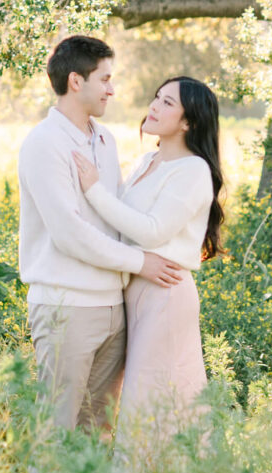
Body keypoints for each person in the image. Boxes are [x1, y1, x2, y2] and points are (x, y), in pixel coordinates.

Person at [18, 35, 184, 431]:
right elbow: (69, 233)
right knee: (57, 430)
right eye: (105, 79)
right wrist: (141, 263)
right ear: (77, 82)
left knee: (97, 432)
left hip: (114, 308)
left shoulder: (104, 140)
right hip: (67, 308)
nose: (112, 89)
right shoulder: (44, 143)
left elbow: (116, 216)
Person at [72, 75, 224, 444]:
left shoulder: (193, 170)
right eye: (156, 98)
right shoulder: (147, 161)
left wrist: (93, 189)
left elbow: (153, 231)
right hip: (136, 290)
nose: (154, 106)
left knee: (154, 394)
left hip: (165, 293)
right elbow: (122, 224)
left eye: (168, 102)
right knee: (146, 392)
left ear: (188, 121)